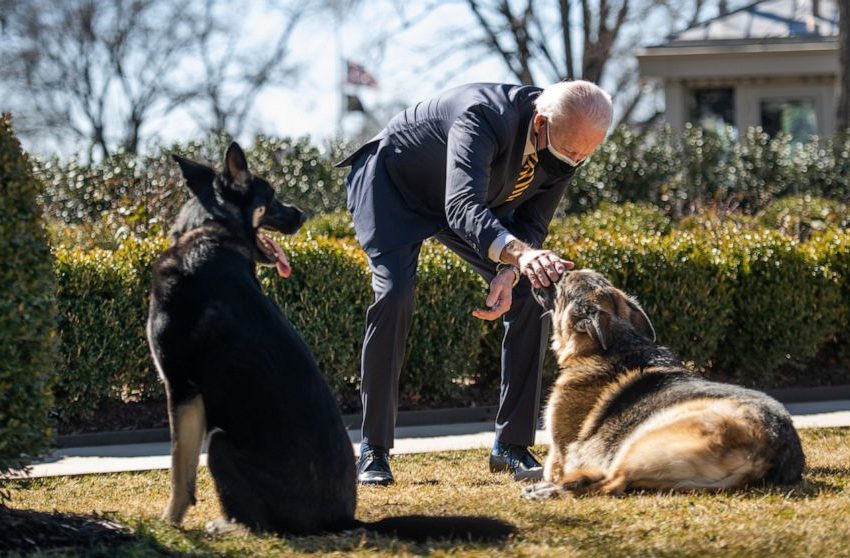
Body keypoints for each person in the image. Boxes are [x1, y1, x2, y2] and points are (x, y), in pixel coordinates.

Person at [337, 80, 612, 485]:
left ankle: (510, 446)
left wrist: (510, 270)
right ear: (539, 123)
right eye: (571, 151)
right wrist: (519, 253)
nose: (575, 161)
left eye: (586, 154)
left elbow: (533, 222)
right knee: (395, 293)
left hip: (463, 203)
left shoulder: (569, 138)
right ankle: (373, 451)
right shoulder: (482, 116)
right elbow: (462, 205)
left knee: (530, 295)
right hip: (392, 186)